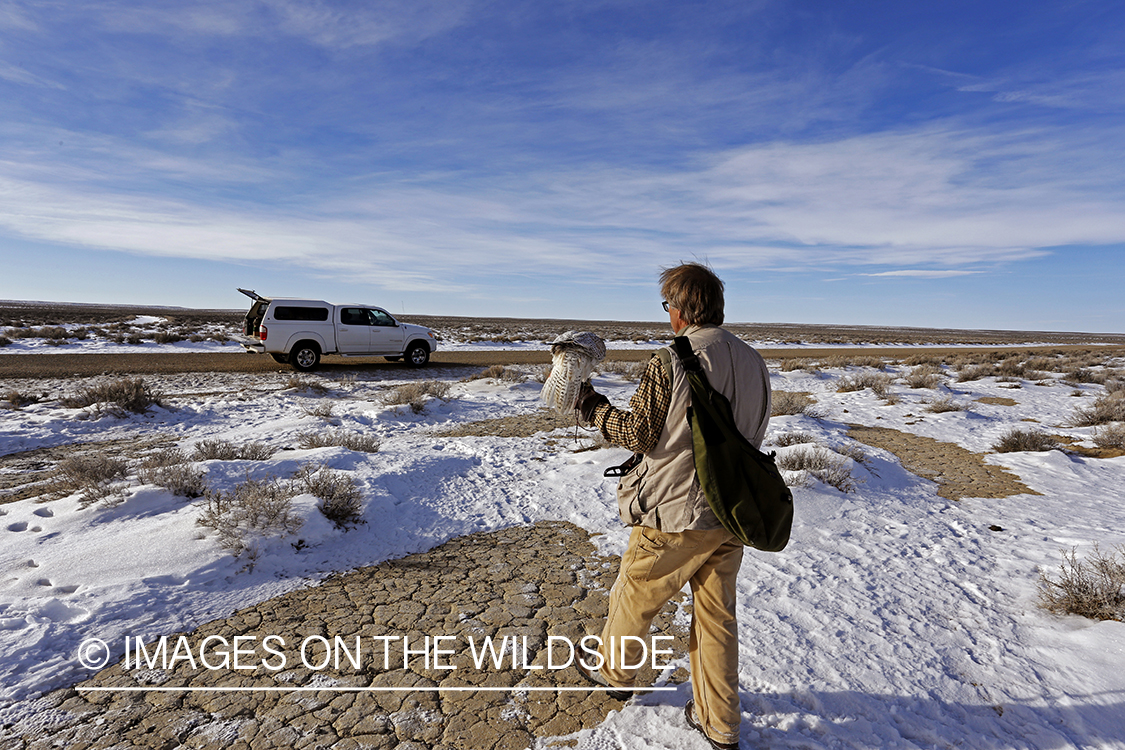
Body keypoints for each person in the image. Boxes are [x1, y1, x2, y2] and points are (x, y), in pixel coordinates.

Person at [573, 262, 771, 750]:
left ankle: (615, 673)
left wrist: (592, 407)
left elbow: (638, 433)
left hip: (674, 511)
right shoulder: (754, 360)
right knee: (716, 618)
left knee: (634, 595)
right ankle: (720, 723)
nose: (668, 316)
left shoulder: (673, 358)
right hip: (731, 514)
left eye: (668, 306)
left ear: (682, 310)